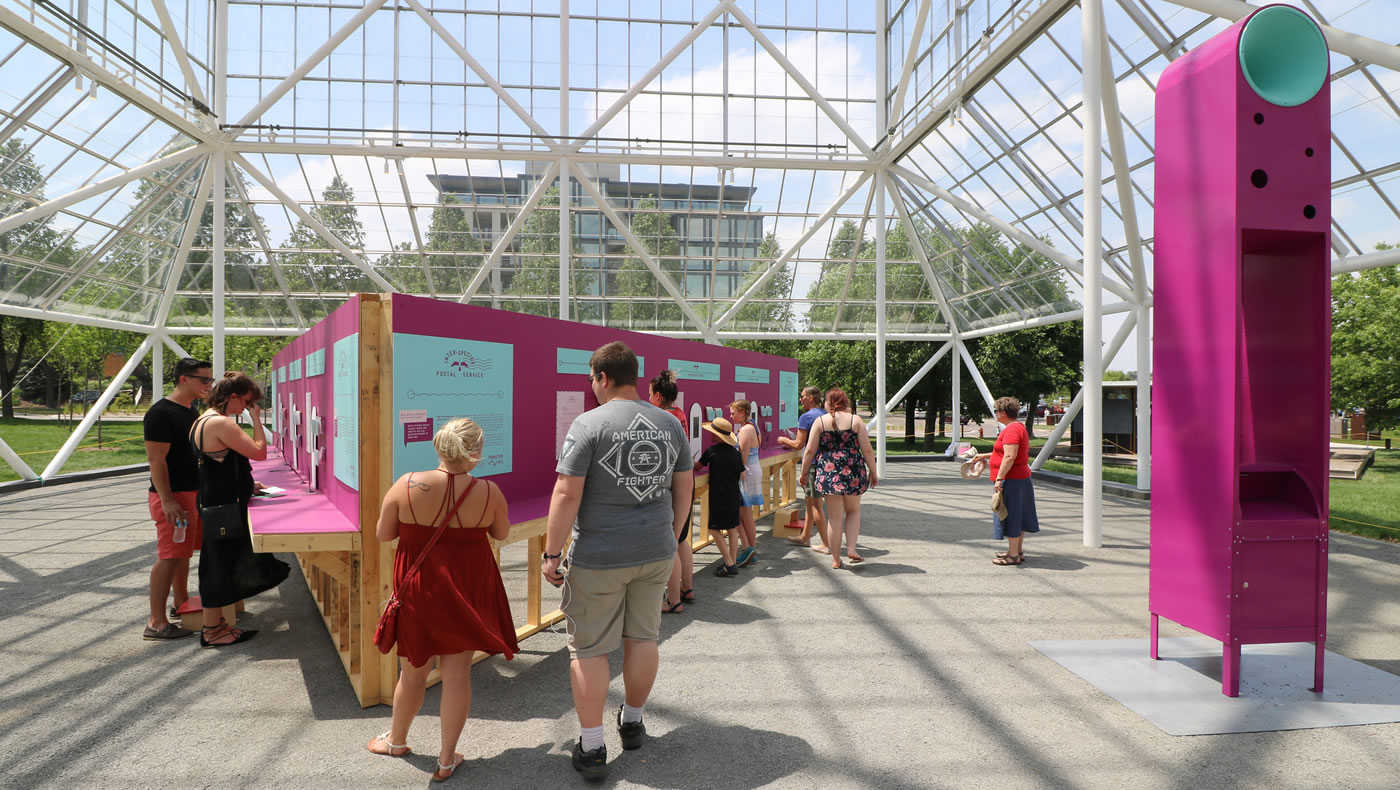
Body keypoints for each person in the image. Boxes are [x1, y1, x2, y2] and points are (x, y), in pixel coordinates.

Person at [543, 342, 693, 779]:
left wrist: (553, 555)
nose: (591, 387)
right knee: (643, 638)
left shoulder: (588, 424)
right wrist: (671, 532)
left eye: (592, 379)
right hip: (655, 551)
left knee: (588, 649)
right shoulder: (670, 424)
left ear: (603, 378)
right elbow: (683, 488)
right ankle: (632, 721)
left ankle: (591, 748)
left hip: (600, 555)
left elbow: (567, 493)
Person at [367, 418, 517, 782]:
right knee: (457, 675)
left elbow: (383, 534)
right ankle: (447, 760)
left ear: (439, 446)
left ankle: (397, 740)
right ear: (476, 452)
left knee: (413, 672)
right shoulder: (490, 492)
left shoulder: (406, 484)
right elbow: (500, 532)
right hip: (467, 588)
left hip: (419, 589)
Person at [189, 372, 290, 647]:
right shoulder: (220, 423)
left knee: (216, 565)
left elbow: (218, 466)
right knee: (217, 568)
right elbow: (259, 452)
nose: (246, 408)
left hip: (215, 504)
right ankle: (212, 631)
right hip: (223, 510)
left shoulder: (202, 419)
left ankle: (217, 625)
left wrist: (246, 484)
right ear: (232, 397)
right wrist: (257, 419)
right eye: (245, 403)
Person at [141, 357, 212, 640]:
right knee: (169, 556)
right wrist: (168, 501)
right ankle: (156, 622)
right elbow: (156, 461)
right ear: (184, 379)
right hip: (173, 496)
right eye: (204, 380)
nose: (209, 384)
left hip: (189, 492)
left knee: (182, 553)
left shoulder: (190, 408)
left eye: (210, 379)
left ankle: (180, 604)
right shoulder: (161, 413)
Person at [800, 387, 877, 569]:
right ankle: (851, 549)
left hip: (828, 470)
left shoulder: (820, 422)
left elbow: (810, 450)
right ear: (845, 402)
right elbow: (866, 449)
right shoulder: (855, 420)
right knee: (853, 511)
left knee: (834, 518)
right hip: (853, 470)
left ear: (828, 403)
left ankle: (836, 559)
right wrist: (873, 471)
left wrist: (803, 473)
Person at [648, 369, 694, 613]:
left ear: (656, 395)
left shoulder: (659, 417)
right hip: (686, 478)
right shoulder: (679, 413)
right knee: (682, 540)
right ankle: (687, 588)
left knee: (671, 542)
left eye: (648, 394)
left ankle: (673, 599)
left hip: (673, 482)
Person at [975, 396, 1040, 566]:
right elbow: (1006, 453)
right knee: (1018, 515)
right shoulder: (1018, 427)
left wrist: (999, 478)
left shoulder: (1011, 430)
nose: (995, 413)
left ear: (1003, 412)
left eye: (996, 411)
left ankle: (1012, 556)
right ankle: (1016, 551)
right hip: (1020, 478)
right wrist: (985, 455)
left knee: (1011, 515)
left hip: (1012, 479)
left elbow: (1010, 456)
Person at [777, 386, 828, 552]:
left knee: (815, 504)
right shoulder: (825, 414)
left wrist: (784, 440)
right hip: (826, 463)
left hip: (813, 463)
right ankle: (806, 536)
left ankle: (826, 543)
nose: (801, 399)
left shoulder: (806, 417)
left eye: (803, 396)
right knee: (809, 501)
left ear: (811, 398)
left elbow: (799, 444)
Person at [696, 417, 744, 578]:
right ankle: (732, 561)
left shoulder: (711, 451)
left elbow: (697, 466)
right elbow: (742, 473)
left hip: (719, 496)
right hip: (734, 494)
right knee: (731, 528)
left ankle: (729, 563)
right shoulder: (736, 453)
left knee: (713, 528)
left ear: (716, 435)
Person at [731, 400, 762, 568]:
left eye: (733, 413)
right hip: (753, 469)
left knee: (742, 512)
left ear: (742, 412)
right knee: (747, 513)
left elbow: (741, 458)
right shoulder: (753, 426)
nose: (731, 416)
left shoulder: (745, 430)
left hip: (746, 473)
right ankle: (751, 550)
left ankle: (748, 549)